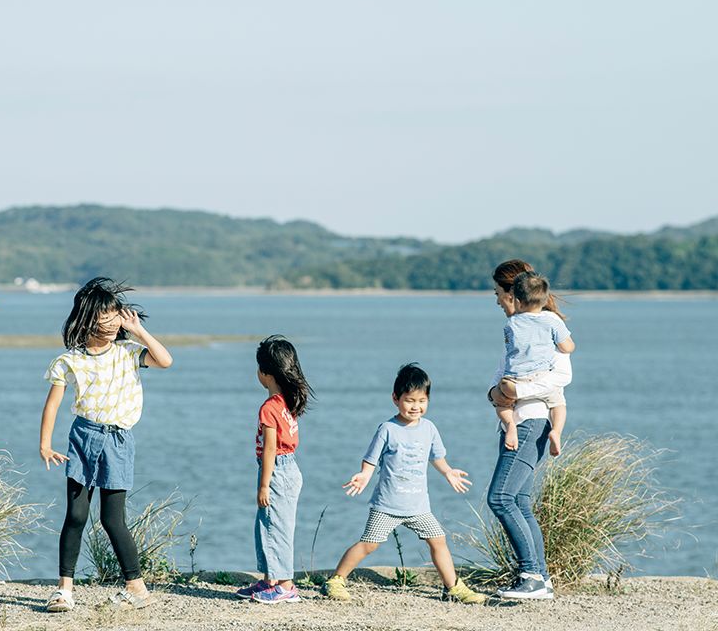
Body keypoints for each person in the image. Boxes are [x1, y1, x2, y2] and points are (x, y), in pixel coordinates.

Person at [39, 278, 173, 612]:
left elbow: (165, 360)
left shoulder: (129, 352)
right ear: (87, 318)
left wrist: (138, 331)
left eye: (116, 316)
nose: (113, 323)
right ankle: (64, 590)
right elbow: (52, 404)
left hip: (118, 439)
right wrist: (45, 444)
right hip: (83, 437)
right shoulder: (69, 360)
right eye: (105, 317)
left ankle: (136, 588)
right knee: (76, 515)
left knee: (113, 519)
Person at [322, 364, 485, 604]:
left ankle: (453, 587)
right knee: (369, 544)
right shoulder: (388, 429)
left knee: (438, 540)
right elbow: (371, 459)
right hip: (388, 505)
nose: (416, 406)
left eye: (422, 401)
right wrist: (365, 475)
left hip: (418, 506)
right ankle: (336, 580)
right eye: (409, 400)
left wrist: (448, 472)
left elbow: (436, 457)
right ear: (395, 399)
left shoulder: (429, 428)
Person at [486, 259, 566, 600]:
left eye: (497, 293)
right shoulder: (517, 332)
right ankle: (541, 578)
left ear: (513, 295)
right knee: (519, 499)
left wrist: (515, 391)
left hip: (531, 421)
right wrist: (496, 393)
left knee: (500, 497)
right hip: (516, 421)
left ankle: (530, 574)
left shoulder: (549, 329)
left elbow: (561, 378)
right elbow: (498, 381)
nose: (496, 301)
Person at [235, 335, 312, 605]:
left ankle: (285, 585)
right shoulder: (288, 401)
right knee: (270, 526)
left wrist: (264, 485)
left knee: (275, 528)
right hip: (289, 468)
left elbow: (270, 449)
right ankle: (270, 580)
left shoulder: (270, 407)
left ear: (265, 373)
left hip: (277, 470)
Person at [493, 271, 575, 453]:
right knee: (558, 403)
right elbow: (568, 347)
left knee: (503, 405)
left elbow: (510, 352)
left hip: (512, 381)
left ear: (517, 301)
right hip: (540, 376)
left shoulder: (511, 324)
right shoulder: (552, 322)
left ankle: (510, 426)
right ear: (544, 300)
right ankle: (556, 432)